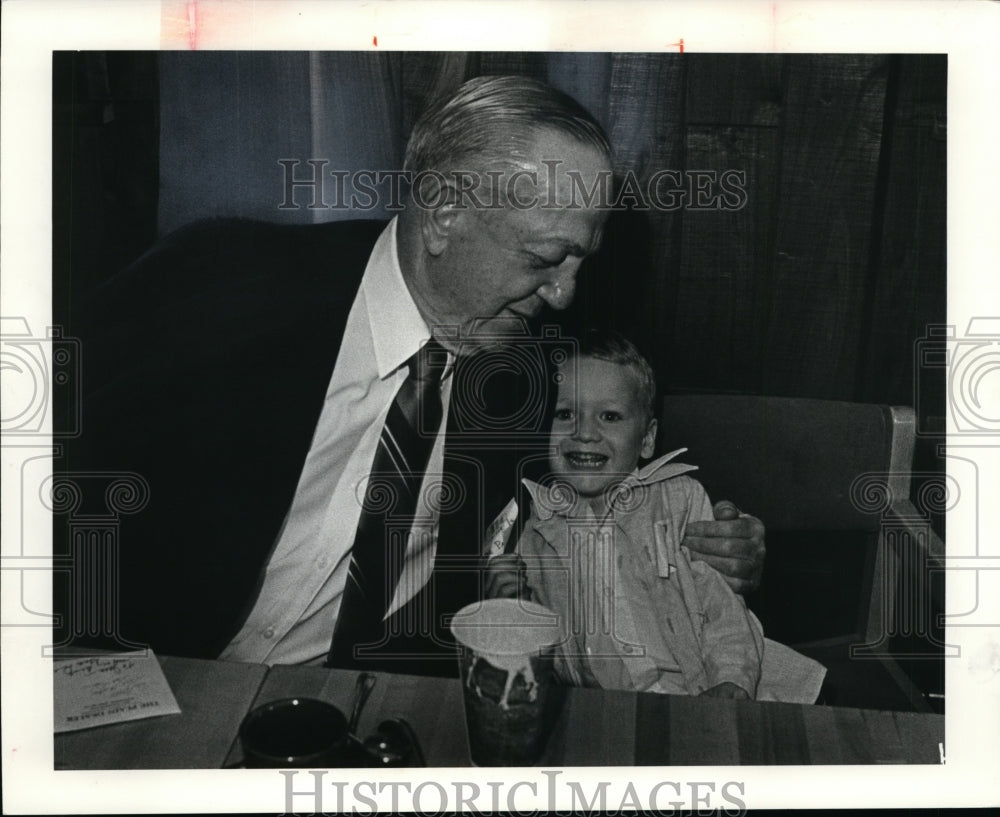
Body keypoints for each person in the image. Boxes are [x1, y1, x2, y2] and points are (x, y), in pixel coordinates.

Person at [59, 75, 765, 673]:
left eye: (584, 261)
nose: (565, 295)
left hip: (357, 713)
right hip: (143, 685)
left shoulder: (535, 375)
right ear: (445, 213)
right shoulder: (222, 284)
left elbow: (595, 508)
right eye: (548, 257)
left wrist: (706, 547)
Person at [487, 330, 763, 698]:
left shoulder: (679, 500)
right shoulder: (529, 531)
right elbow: (537, 667)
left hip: (701, 695)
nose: (585, 432)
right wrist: (507, 611)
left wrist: (730, 684)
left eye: (610, 416)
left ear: (647, 439)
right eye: (565, 413)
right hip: (598, 712)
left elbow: (724, 613)